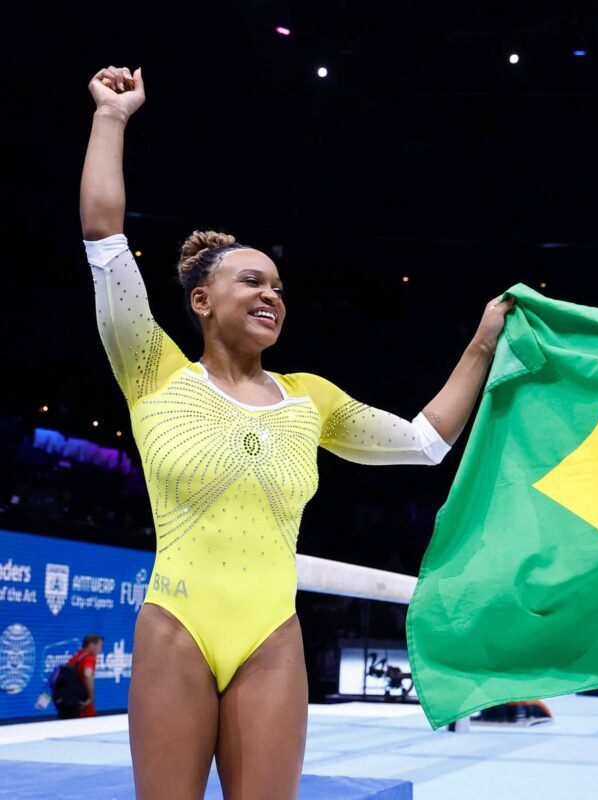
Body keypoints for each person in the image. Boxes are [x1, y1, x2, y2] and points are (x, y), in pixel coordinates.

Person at [80, 66, 512, 798]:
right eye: (251, 282)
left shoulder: (308, 400)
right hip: (176, 624)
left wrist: (481, 342)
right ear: (202, 299)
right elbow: (103, 236)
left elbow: (424, 443)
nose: (270, 295)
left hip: (270, 636)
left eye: (278, 287)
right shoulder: (152, 370)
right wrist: (112, 118)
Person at [58, 633, 103, 719]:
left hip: (70, 705)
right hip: (83, 706)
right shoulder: (90, 657)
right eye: (100, 646)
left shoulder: (76, 657)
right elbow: (88, 674)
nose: (100, 650)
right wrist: (91, 699)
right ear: (91, 645)